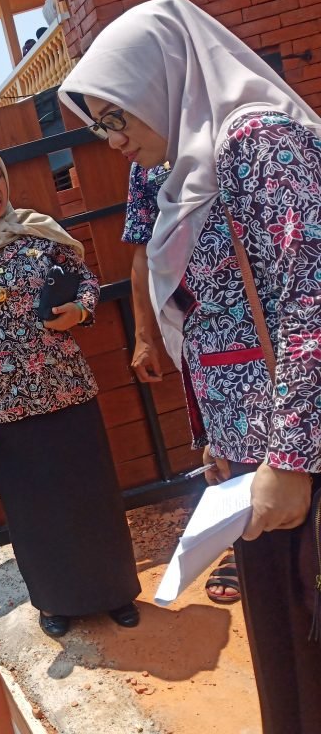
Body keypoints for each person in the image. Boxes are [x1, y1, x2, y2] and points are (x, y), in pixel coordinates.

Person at [61, 0, 321, 733]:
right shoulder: (181, 169)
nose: (112, 139)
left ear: (162, 78)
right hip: (251, 463)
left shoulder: (262, 144)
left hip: (297, 457)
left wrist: (291, 459)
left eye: (116, 116)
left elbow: (310, 301)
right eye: (99, 125)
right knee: (289, 654)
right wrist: (216, 438)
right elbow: (207, 317)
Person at [0, 144, 142, 638]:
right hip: (6, 409)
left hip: (67, 388)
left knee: (93, 496)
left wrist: (81, 310)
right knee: (36, 511)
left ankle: (115, 592)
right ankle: (55, 601)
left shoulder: (35, 231)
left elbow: (85, 279)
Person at [124, 161, 242, 605]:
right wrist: (144, 337)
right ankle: (238, 545)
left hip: (267, 311)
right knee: (222, 440)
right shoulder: (145, 167)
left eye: (116, 126)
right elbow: (142, 252)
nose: (114, 139)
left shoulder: (232, 136)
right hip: (200, 329)